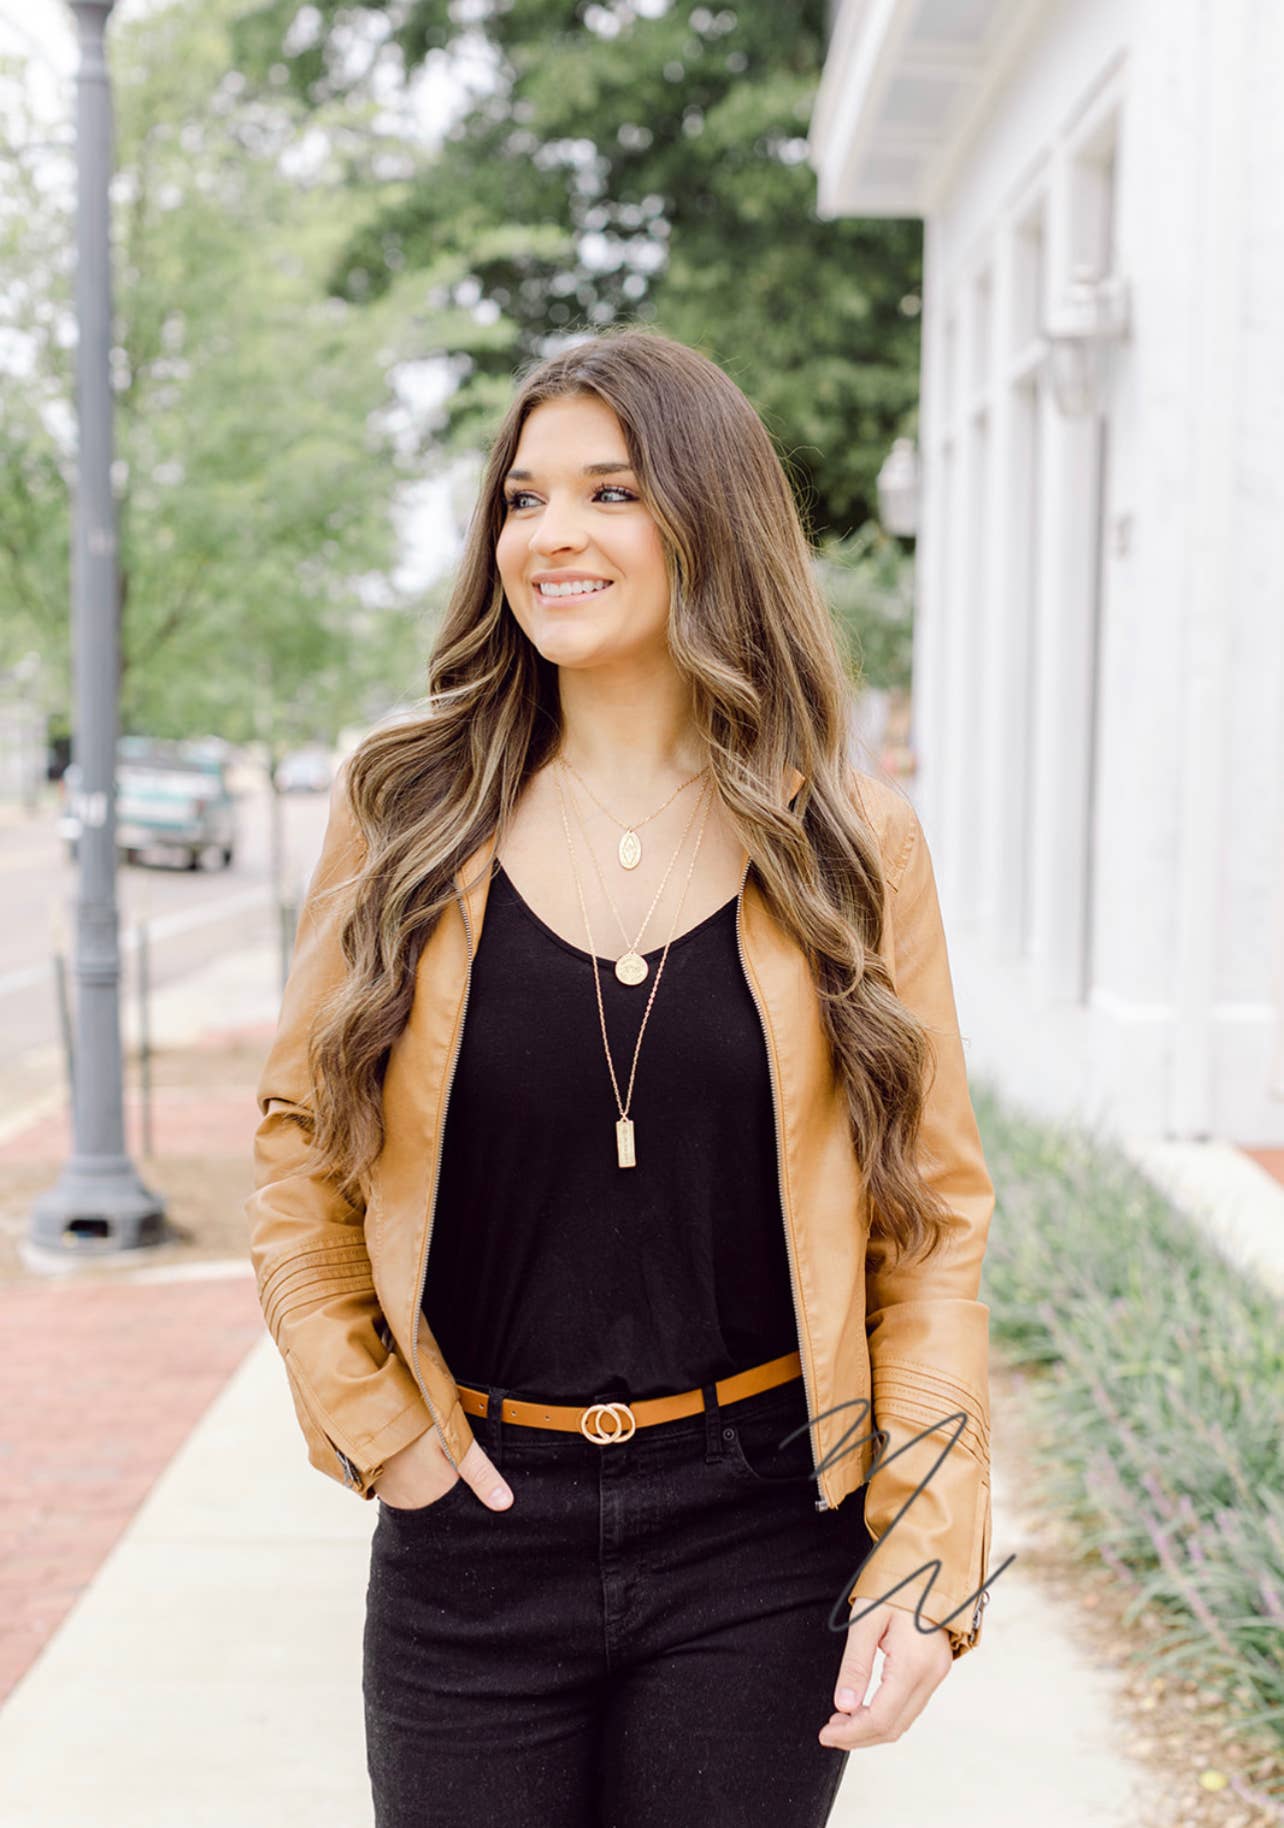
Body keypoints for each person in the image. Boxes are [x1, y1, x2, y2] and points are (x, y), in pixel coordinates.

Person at [245, 325, 997, 1828]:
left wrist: (928, 1554)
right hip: (475, 1535)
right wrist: (381, 1432)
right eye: (523, 499)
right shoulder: (403, 809)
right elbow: (299, 1154)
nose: (552, 536)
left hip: (762, 1533)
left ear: (708, 518)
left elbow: (930, 1224)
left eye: (610, 491)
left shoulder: (850, 837)